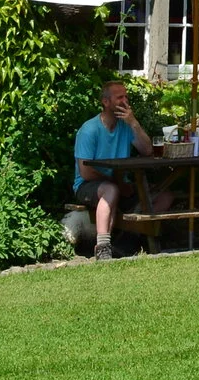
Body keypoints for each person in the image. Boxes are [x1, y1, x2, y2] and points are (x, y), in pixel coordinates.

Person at [73, 78, 171, 259]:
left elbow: (147, 150)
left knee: (164, 196)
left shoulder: (126, 126)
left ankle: (129, 240)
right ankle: (102, 247)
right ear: (105, 102)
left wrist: (134, 123)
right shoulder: (89, 130)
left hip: (121, 184)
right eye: (119, 97)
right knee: (111, 190)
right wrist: (117, 182)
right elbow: (86, 172)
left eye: (126, 96)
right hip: (89, 186)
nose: (125, 101)